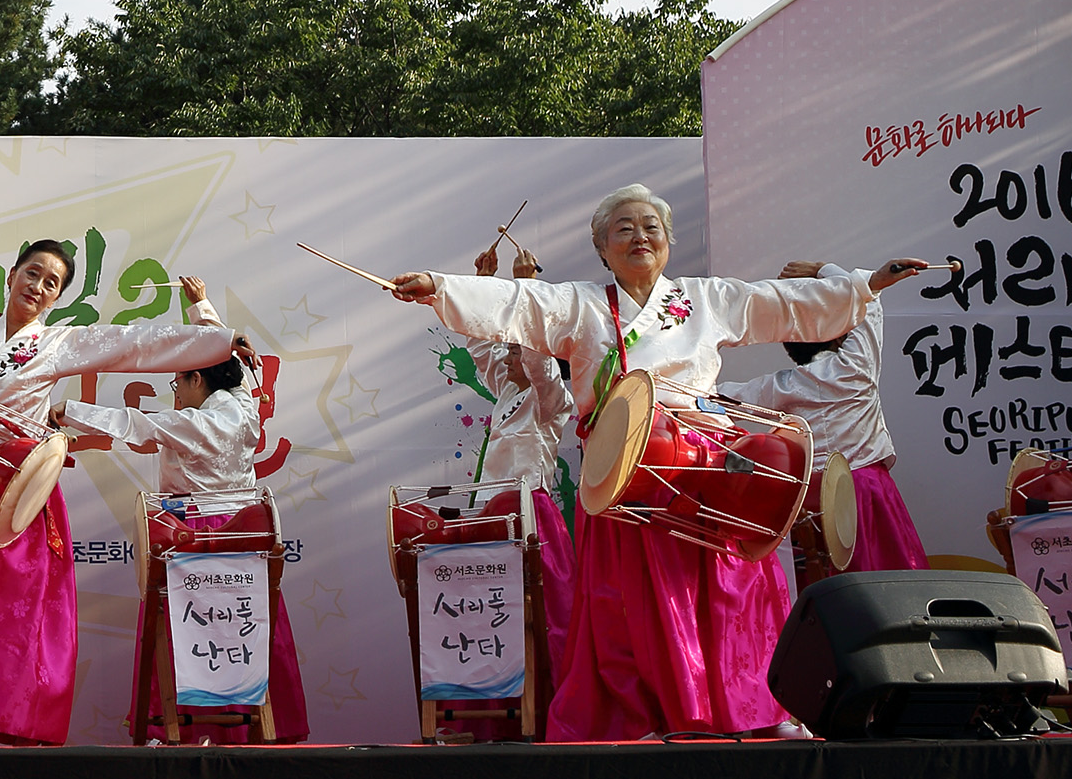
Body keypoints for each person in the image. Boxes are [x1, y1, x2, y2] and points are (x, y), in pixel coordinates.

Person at [385, 190, 934, 741]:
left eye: (651, 227)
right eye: (623, 228)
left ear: (668, 241)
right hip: (623, 476)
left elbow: (776, 303)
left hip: (703, 470)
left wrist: (866, 284)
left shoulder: (706, 298)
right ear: (602, 248)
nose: (639, 237)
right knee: (633, 607)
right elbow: (517, 304)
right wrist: (439, 286)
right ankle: (643, 715)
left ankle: (754, 712)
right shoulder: (579, 305)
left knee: (731, 592)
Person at [0, 133, 236, 747]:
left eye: (52, 283)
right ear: (13, 276)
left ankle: (16, 726)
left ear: (57, 298)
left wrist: (216, 342)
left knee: (7, 614)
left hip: (17, 493)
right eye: (33, 273)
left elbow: (135, 343)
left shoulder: (59, 343)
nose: (39, 286)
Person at [62, 275, 310, 744]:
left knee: (189, 627)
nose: (175, 390)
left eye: (178, 380)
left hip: (195, 536)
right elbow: (231, 362)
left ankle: (179, 727)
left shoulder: (198, 422)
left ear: (197, 378)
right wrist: (204, 309)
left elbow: (136, 423)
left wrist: (69, 412)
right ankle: (255, 728)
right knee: (244, 623)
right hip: (246, 537)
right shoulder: (242, 404)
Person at [730, 259, 928, 579]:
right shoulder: (855, 368)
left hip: (805, 502)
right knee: (888, 585)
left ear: (789, 345)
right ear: (839, 336)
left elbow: (717, 398)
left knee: (821, 591)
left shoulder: (778, 387)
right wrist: (824, 269)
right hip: (865, 491)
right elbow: (869, 303)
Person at [459, 238, 578, 684]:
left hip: (530, 514)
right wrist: (484, 284)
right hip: (492, 511)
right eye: (509, 350)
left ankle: (546, 695)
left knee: (539, 614)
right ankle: (495, 695)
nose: (506, 356)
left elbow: (538, 358)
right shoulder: (508, 389)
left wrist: (527, 288)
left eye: (514, 351)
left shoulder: (551, 398)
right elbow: (479, 346)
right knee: (489, 612)